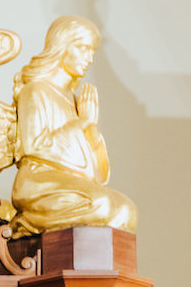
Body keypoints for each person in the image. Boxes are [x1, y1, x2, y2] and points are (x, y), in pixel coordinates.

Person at [10, 15, 137, 234]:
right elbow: (35, 147)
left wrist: (91, 130)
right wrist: (82, 122)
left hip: (70, 183)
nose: (89, 58)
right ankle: (26, 222)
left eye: (92, 51)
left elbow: (95, 174)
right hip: (38, 183)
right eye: (82, 48)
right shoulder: (35, 91)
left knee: (128, 212)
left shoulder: (74, 100)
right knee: (103, 205)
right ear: (62, 47)